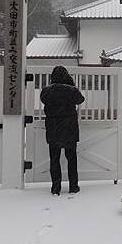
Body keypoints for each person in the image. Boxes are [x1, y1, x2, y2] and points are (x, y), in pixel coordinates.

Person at [40, 66, 85, 196]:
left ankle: (56, 188)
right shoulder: (71, 90)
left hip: (53, 127)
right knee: (71, 158)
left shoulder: (47, 91)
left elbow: (43, 100)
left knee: (54, 159)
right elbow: (80, 99)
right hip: (69, 127)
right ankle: (73, 186)